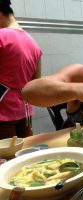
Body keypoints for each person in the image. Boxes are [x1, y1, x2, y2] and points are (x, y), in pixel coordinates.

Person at [0, 0, 42, 139]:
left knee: (6, 159)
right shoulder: (34, 43)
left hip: (2, 112)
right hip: (25, 111)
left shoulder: (1, 37)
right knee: (26, 155)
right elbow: (36, 83)